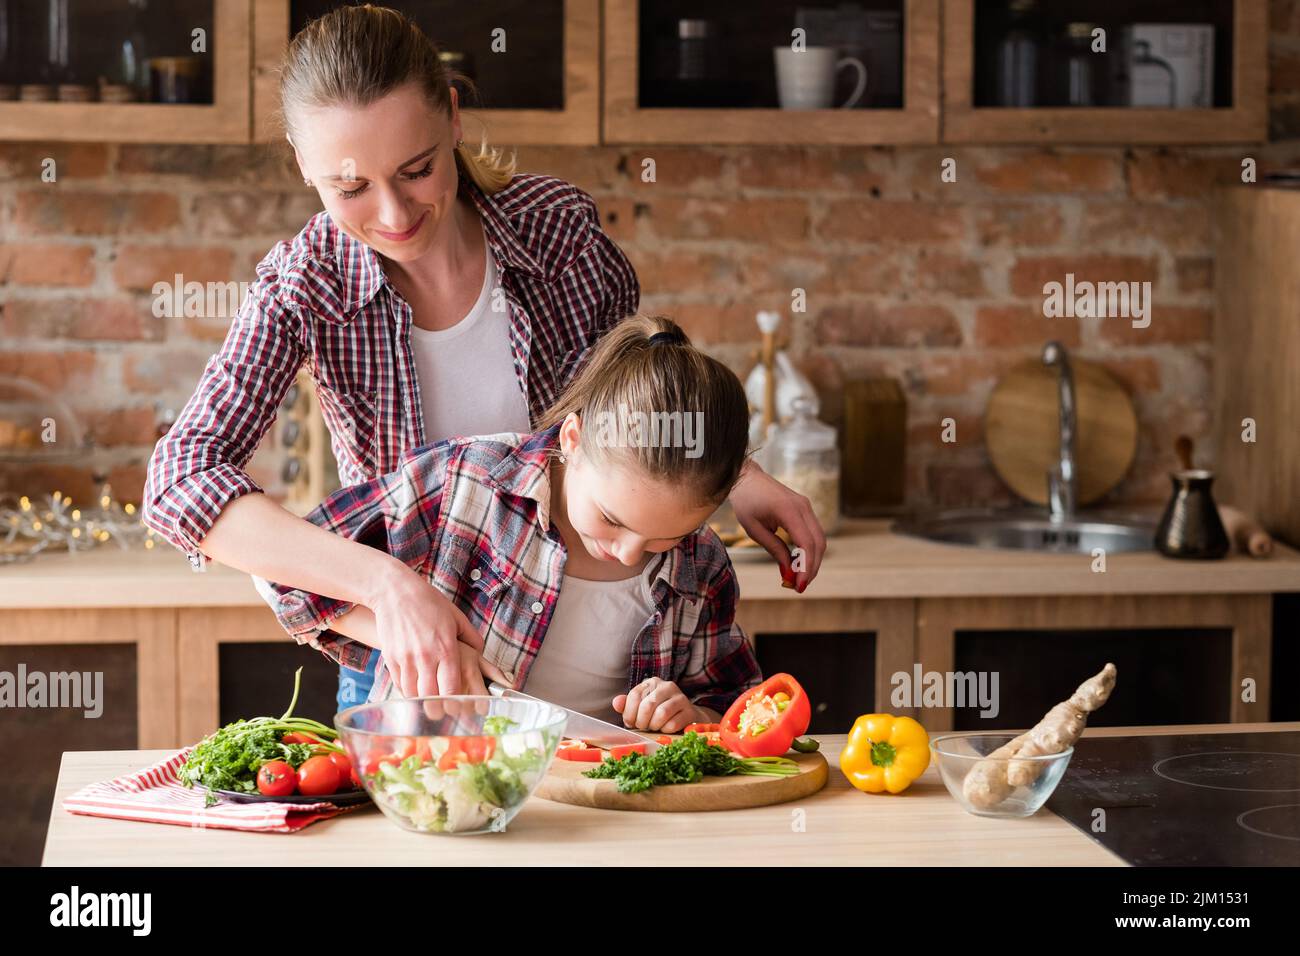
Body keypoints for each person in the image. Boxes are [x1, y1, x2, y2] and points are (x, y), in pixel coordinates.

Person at [141, 5, 825, 712]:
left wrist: (723, 475)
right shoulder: (305, 284)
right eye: (349, 188)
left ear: (454, 118)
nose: (394, 214)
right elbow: (179, 481)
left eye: (417, 169)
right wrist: (391, 589)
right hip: (411, 666)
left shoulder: (556, 234)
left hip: (587, 655)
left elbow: (633, 391)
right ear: (301, 161)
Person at [256, 316, 761, 730]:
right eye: (610, 519)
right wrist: (410, 636)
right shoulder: (467, 483)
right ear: (572, 440)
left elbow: (736, 704)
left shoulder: (703, 563)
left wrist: (694, 715)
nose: (631, 553)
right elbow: (282, 570)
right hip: (438, 782)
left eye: (665, 538)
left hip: (606, 812)